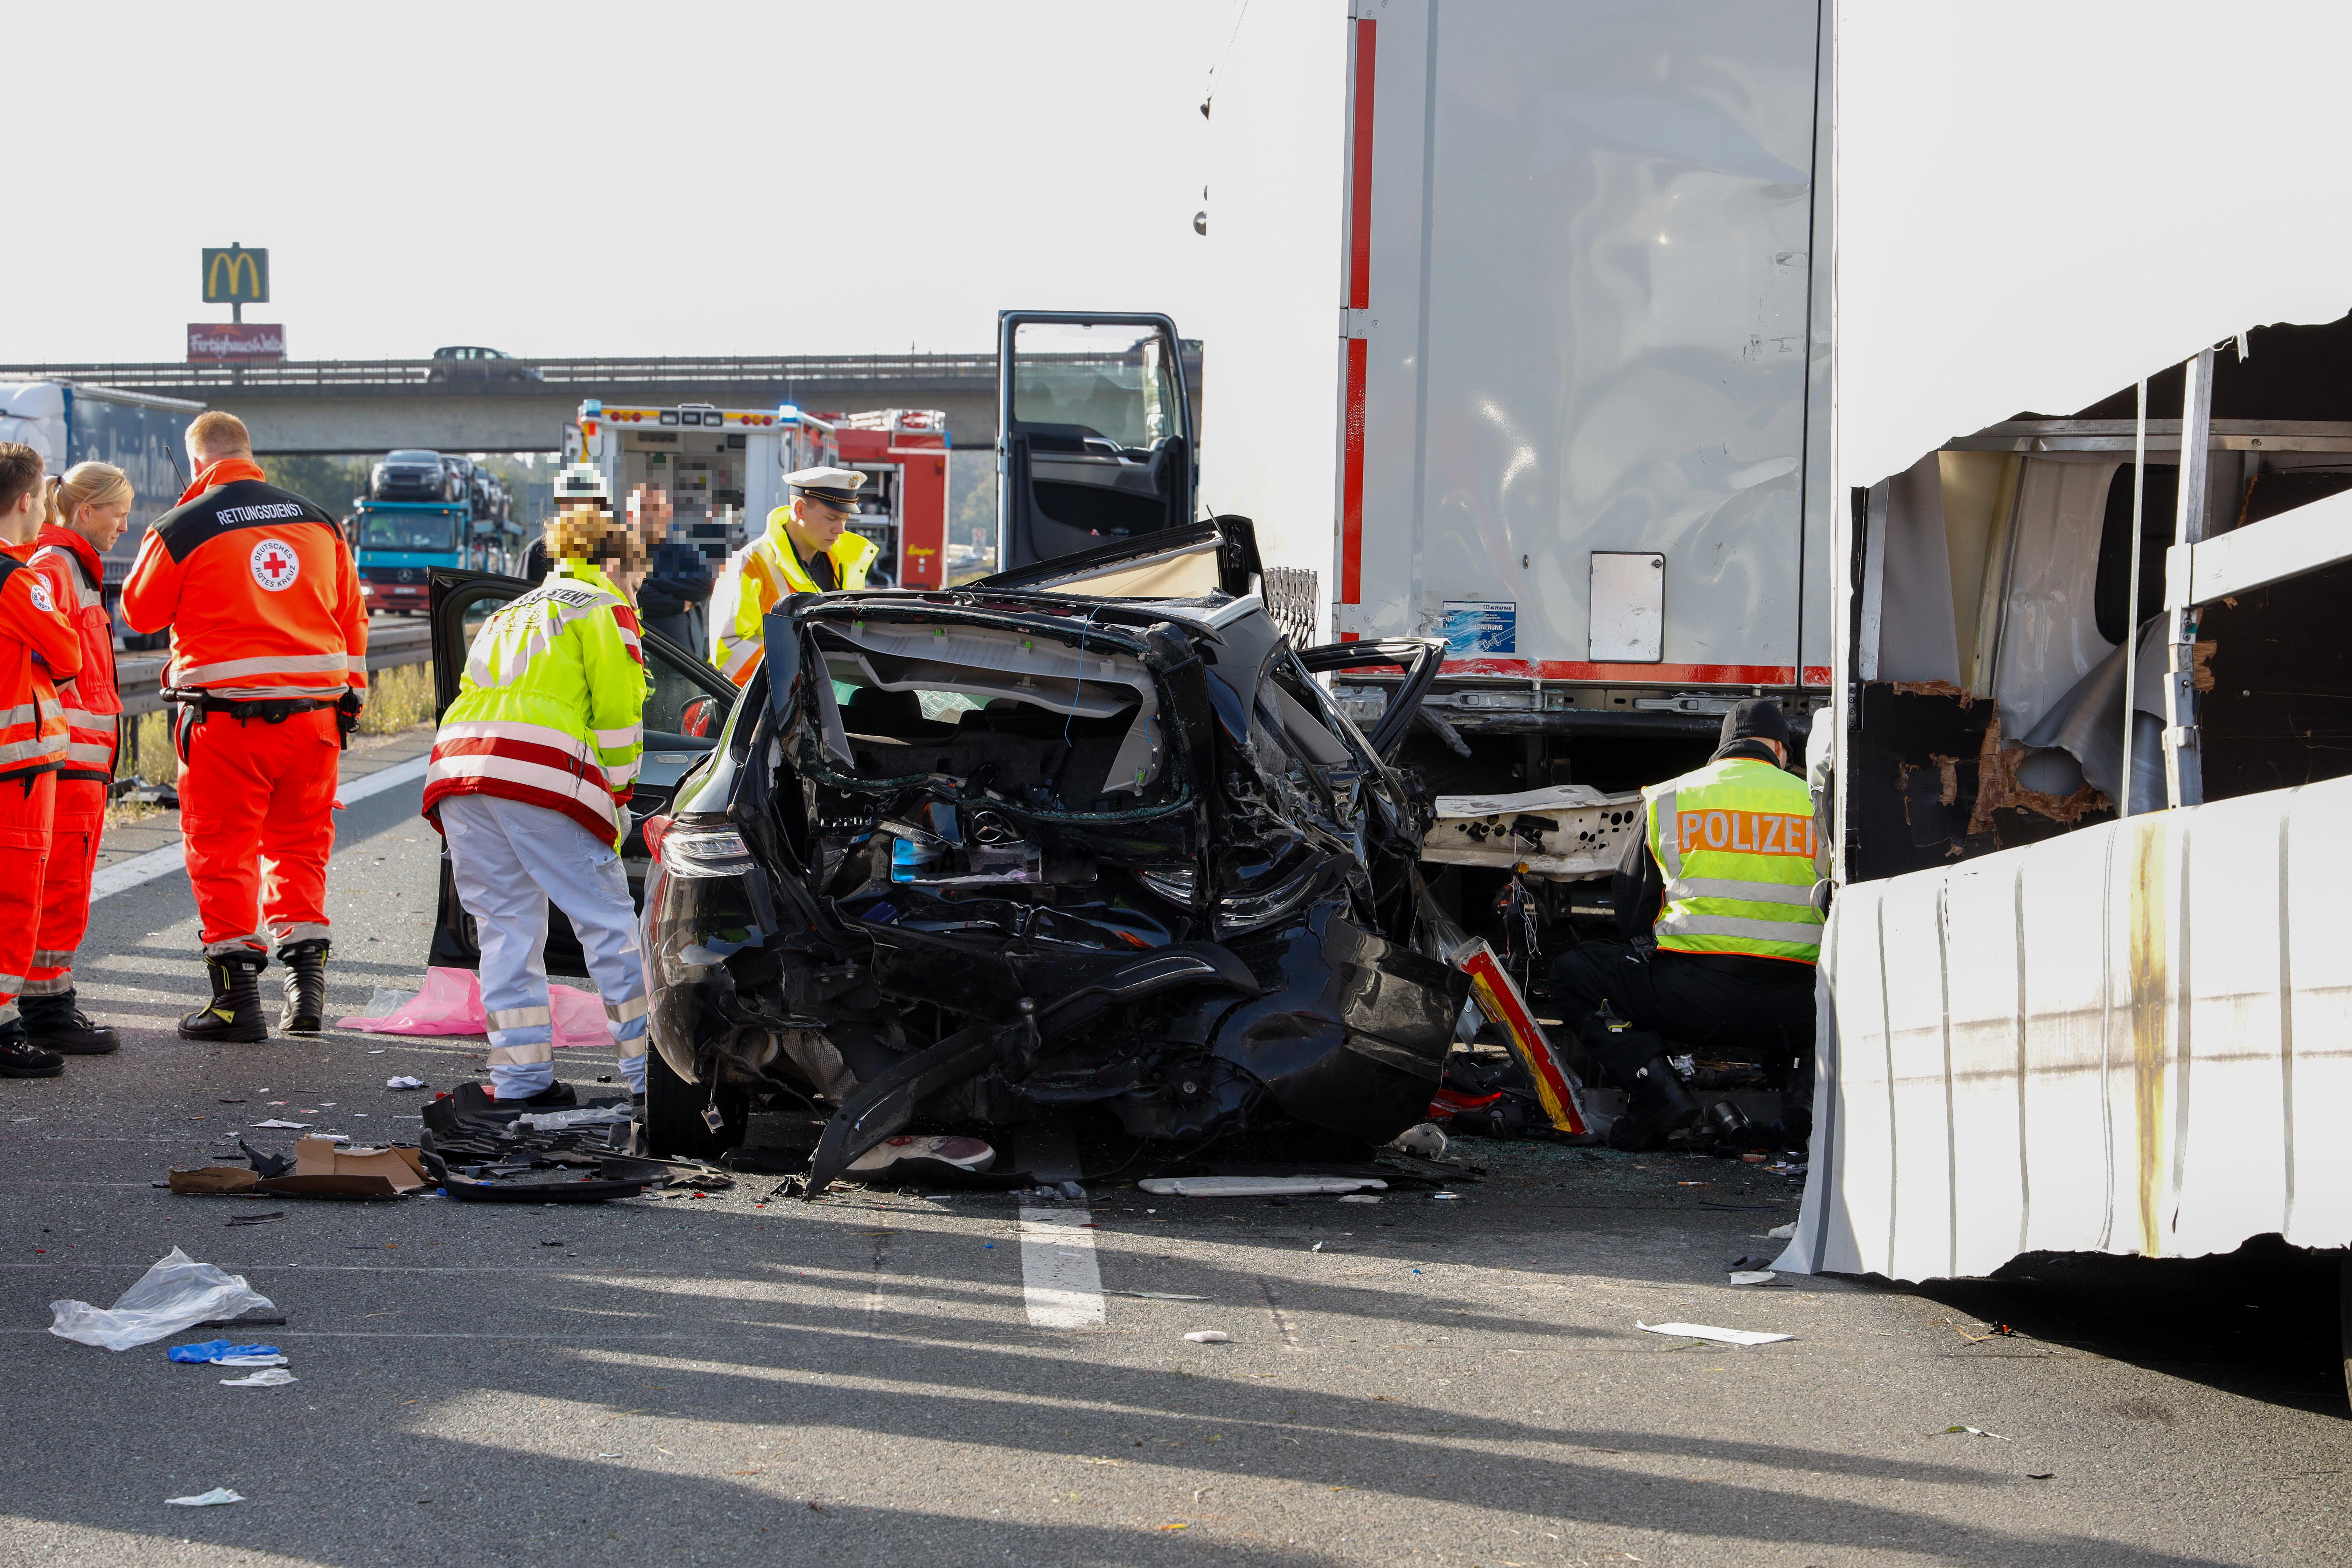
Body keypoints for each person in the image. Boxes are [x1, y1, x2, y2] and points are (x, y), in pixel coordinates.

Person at [120, 411, 369, 1042]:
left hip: (226, 725)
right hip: (315, 722)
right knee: (301, 847)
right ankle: (305, 993)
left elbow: (140, 610)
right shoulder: (318, 521)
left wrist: (184, 519)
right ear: (249, 453)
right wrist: (351, 703)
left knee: (223, 851)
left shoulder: (182, 526)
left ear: (197, 462)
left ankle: (237, 1006)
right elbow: (352, 620)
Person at [420, 463, 652, 1107]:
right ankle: (649, 1079)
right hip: (539, 777)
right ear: (618, 565)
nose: (637, 591)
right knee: (608, 926)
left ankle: (523, 1081)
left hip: (460, 774)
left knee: (505, 930)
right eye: (637, 578)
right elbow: (617, 717)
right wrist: (621, 798)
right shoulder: (605, 609)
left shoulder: (512, 609)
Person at [1547, 698, 1825, 1150]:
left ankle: (1661, 1091)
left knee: (1572, 973)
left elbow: (1631, 909)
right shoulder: (1818, 803)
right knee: (1841, 1000)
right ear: (1780, 748)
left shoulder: (1672, 797)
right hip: (1796, 1008)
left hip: (1692, 1000)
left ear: (1725, 747)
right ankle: (1805, 1103)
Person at [18, 463, 134, 1056]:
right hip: (65, 764)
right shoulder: (55, 568)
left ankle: (50, 1000)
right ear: (85, 511)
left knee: (64, 888)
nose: (124, 525)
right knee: (56, 889)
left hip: (78, 763)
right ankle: (45, 1011)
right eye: (117, 512)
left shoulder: (74, 570)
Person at [0, 442, 87, 1078]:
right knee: (12, 901)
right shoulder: (15, 579)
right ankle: (3, 1031)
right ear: (28, 500)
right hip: (15, 773)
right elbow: (69, 655)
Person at [709, 465, 878, 686]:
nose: (841, 529)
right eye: (832, 518)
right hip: (773, 709)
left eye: (845, 519)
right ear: (799, 510)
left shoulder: (845, 562)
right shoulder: (749, 562)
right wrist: (795, 683)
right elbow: (729, 647)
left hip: (828, 704)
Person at [631, 485, 715, 651]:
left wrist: (646, 576)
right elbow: (636, 599)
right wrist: (675, 603)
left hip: (689, 658)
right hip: (656, 653)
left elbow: (705, 584)